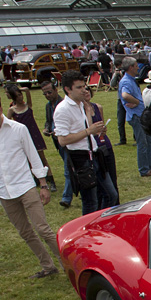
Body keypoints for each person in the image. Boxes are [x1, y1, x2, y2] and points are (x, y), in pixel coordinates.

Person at [0, 90, 60, 278]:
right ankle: (48, 266)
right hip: (4, 192)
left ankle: (68, 263)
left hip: (25, 187)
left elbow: (34, 157)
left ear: (0, 110)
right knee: (26, 233)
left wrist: (44, 185)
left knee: (43, 229)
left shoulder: (18, 129)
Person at [54, 71, 108, 215]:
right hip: (80, 159)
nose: (84, 90)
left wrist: (95, 130)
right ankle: (89, 230)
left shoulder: (80, 105)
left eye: (84, 86)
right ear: (68, 89)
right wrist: (89, 131)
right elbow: (63, 140)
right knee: (90, 201)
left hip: (94, 154)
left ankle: (100, 222)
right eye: (79, 87)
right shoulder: (63, 109)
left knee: (109, 194)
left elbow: (86, 129)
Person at [4, 83, 57, 191]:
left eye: (20, 95)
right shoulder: (12, 110)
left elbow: (27, 91)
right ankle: (36, 178)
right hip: (23, 137)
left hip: (34, 135)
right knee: (28, 160)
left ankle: (51, 180)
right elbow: (7, 124)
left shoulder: (27, 106)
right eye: (17, 96)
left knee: (42, 159)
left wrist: (20, 89)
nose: (20, 97)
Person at [118, 57, 151, 177]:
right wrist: (136, 102)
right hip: (136, 116)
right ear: (130, 67)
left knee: (149, 141)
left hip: (141, 115)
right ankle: (144, 170)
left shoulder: (131, 79)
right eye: (136, 65)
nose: (138, 67)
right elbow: (125, 95)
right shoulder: (126, 81)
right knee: (142, 143)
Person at [40, 80, 73, 208]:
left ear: (56, 90)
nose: (47, 95)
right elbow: (48, 121)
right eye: (45, 94)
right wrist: (46, 129)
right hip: (57, 141)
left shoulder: (63, 105)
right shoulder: (48, 106)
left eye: (49, 92)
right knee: (72, 167)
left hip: (67, 140)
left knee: (67, 169)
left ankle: (66, 197)